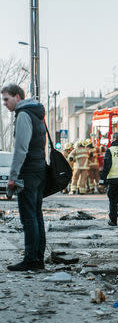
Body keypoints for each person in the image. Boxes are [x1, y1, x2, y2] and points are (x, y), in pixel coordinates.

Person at [1, 84, 47, 271]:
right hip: (39, 170)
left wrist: (13, 176)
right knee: (36, 215)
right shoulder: (37, 114)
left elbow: (20, 149)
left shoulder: (23, 115)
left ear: (17, 97)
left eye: (6, 99)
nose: (4, 103)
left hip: (27, 172)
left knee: (29, 217)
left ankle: (31, 260)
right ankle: (38, 259)